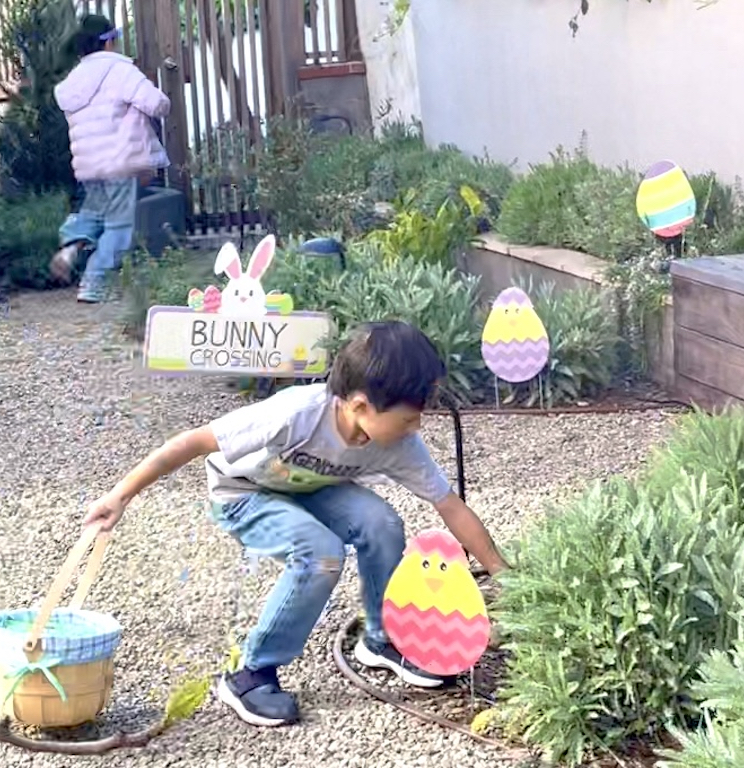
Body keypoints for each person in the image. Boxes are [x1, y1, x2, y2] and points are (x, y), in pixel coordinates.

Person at [81, 320, 510, 727]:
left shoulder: (396, 442)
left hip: (311, 489)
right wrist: (120, 495)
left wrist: (502, 573)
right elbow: (193, 441)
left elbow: (448, 504)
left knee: (382, 524)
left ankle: (382, 639)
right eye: (408, 417)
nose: (415, 427)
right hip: (245, 494)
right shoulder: (296, 413)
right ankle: (251, 673)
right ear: (360, 405)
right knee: (319, 552)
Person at [50, 14, 171, 303]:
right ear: (110, 41)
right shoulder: (120, 71)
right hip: (119, 163)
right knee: (119, 227)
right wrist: (163, 100)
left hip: (89, 167)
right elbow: (156, 104)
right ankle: (93, 281)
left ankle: (70, 249)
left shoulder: (73, 80)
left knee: (93, 214)